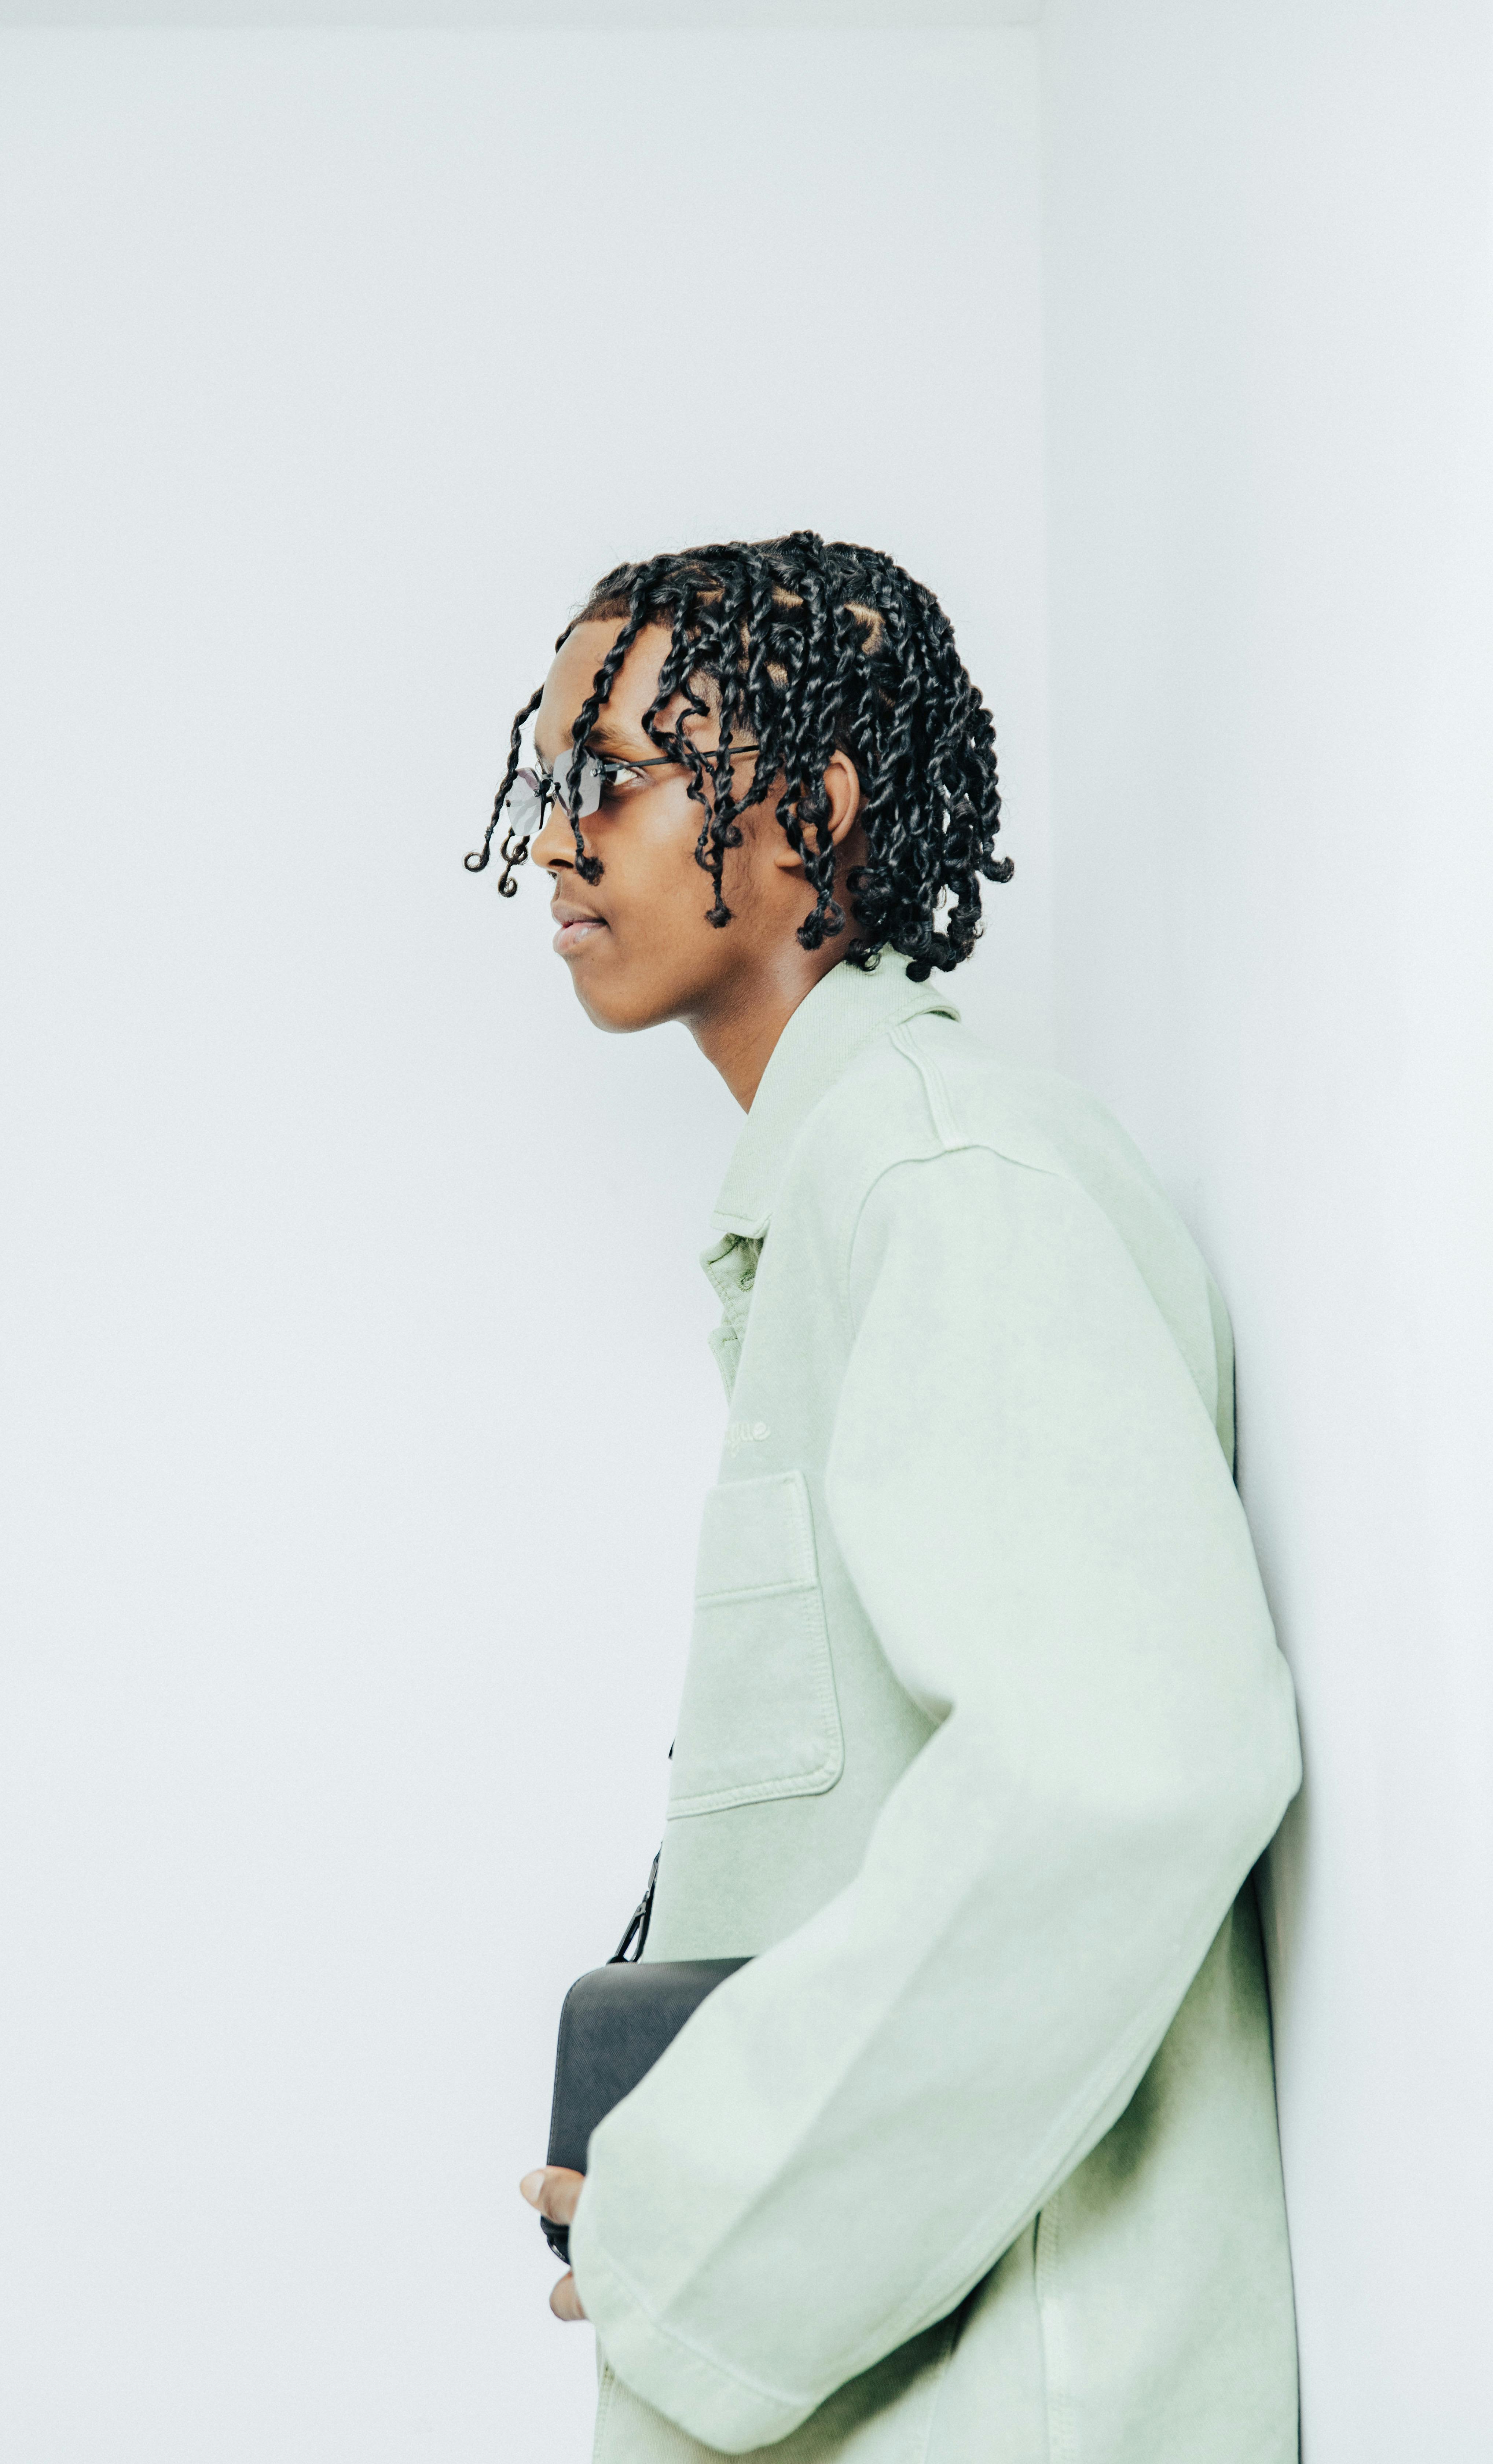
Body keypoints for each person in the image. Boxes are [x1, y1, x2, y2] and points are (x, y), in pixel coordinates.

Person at [474, 533, 1301, 2463]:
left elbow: (1136, 1769)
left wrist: (701, 2210)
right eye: (545, 784)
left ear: (811, 815)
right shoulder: (848, 1206)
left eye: (615, 775)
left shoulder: (942, 1186)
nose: (555, 845)